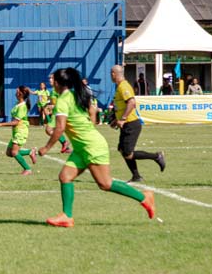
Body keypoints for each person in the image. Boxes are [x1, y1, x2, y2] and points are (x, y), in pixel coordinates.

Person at [38, 67, 156, 228]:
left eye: (53, 81)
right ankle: (67, 216)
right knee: (65, 177)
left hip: (91, 146)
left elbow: (59, 128)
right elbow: (92, 109)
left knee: (105, 184)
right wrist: (90, 124)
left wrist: (46, 147)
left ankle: (144, 196)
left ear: (57, 84)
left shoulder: (63, 100)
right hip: (82, 147)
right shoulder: (74, 95)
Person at [109, 65, 166, 184]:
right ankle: (136, 176)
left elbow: (131, 102)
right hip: (126, 124)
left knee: (128, 153)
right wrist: (116, 120)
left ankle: (157, 156)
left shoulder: (123, 86)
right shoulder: (120, 86)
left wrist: (123, 118)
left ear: (114, 74)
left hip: (131, 124)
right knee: (122, 149)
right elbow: (123, 105)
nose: (111, 76)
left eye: (111, 73)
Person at [0, 86, 38, 176]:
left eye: (17, 91)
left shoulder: (22, 107)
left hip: (21, 131)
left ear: (21, 94)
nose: (15, 93)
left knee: (14, 152)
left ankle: (27, 169)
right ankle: (30, 152)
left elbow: (16, 122)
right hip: (16, 131)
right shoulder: (18, 104)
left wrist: (0, 124)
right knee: (9, 153)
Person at [42, 73, 72, 154]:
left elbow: (58, 103)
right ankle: (65, 147)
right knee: (53, 130)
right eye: (49, 78)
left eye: (52, 78)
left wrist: (50, 107)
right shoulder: (53, 90)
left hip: (59, 113)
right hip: (57, 112)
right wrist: (48, 106)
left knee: (49, 130)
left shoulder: (57, 90)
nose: (49, 80)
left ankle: (64, 142)